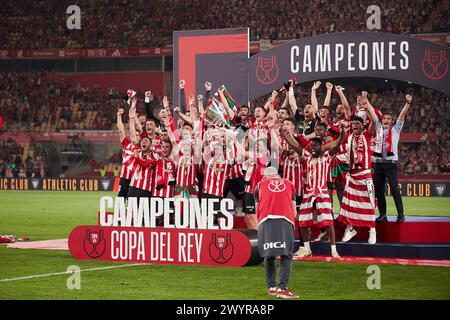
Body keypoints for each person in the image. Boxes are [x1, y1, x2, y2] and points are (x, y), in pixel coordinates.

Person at [337, 92, 378, 244]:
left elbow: (374, 119)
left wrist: (366, 103)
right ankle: (350, 228)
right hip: (352, 175)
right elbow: (348, 156)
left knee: (369, 202)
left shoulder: (368, 134)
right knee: (348, 204)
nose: (354, 126)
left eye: (357, 124)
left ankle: (372, 230)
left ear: (362, 125)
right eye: (353, 124)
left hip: (365, 175)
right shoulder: (348, 138)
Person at [255, 166, 299, 299]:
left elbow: (257, 209)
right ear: (277, 175)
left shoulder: (259, 185)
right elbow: (294, 211)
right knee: (286, 255)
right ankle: (283, 289)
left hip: (265, 221)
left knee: (269, 255)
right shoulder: (290, 184)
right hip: (285, 220)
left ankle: (272, 287)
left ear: (265, 177)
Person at [374, 94, 412, 223]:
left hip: (390, 164)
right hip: (378, 164)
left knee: (395, 189)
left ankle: (400, 214)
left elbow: (401, 116)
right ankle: (383, 214)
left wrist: (407, 104)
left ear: (392, 121)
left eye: (388, 118)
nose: (385, 120)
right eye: (384, 118)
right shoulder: (378, 128)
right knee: (379, 191)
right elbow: (371, 113)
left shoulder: (396, 129)